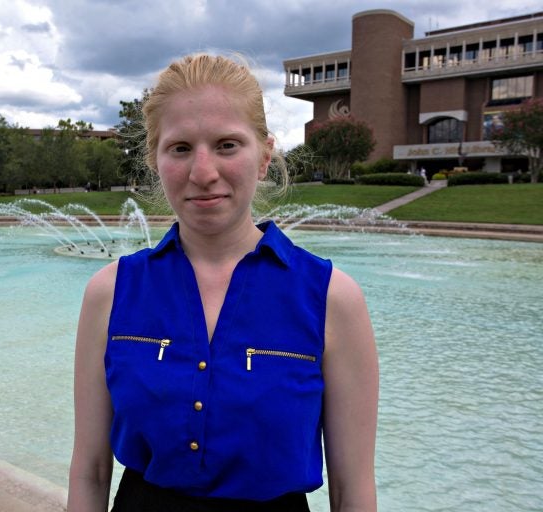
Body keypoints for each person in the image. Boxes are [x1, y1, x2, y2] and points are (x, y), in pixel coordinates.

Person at [67, 54, 379, 512]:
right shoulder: (110, 292)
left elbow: (352, 490)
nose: (203, 172)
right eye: (180, 148)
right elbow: (90, 471)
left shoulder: (332, 299)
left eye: (227, 145)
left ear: (265, 156)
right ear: (156, 159)